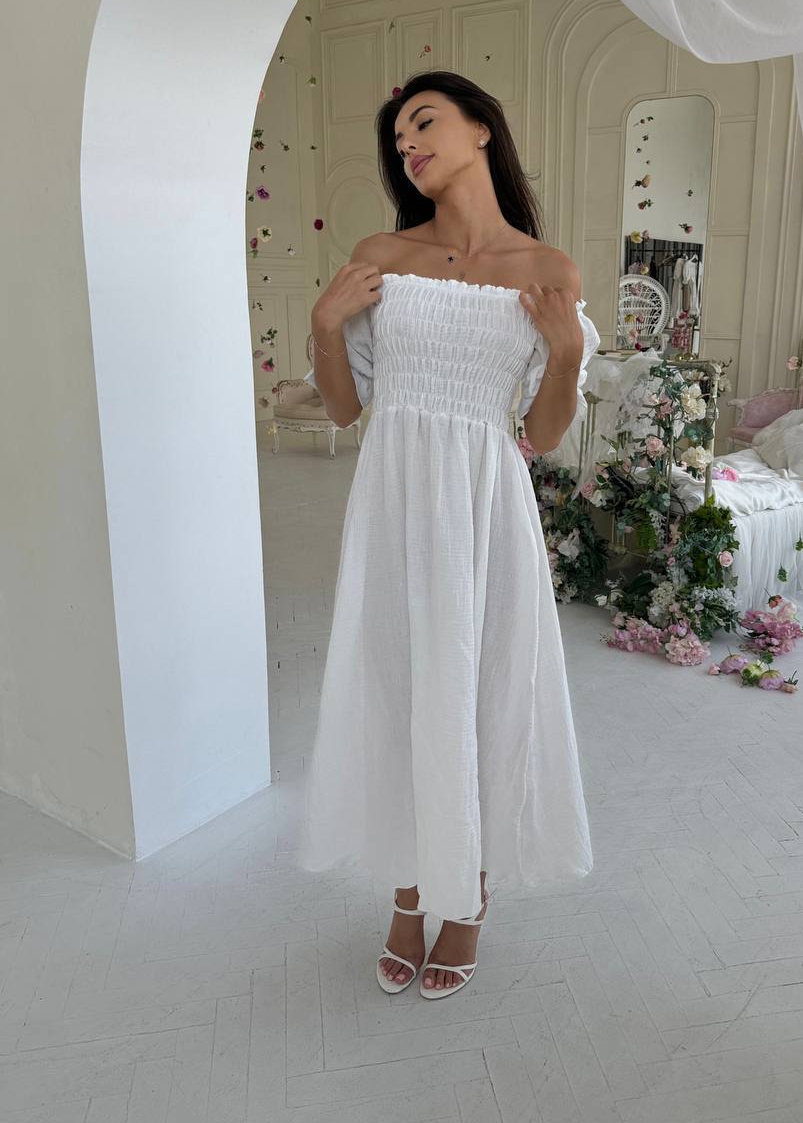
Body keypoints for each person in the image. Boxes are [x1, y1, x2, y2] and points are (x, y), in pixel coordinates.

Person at [297, 70, 600, 999]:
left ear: (480, 130)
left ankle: (466, 894)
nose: (408, 146)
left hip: (485, 505)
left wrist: (567, 353)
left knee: (483, 689)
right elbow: (344, 408)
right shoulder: (382, 254)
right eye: (397, 140)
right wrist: (324, 326)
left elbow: (543, 433)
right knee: (397, 688)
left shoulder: (548, 270)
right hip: (393, 504)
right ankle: (407, 889)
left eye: (423, 123)